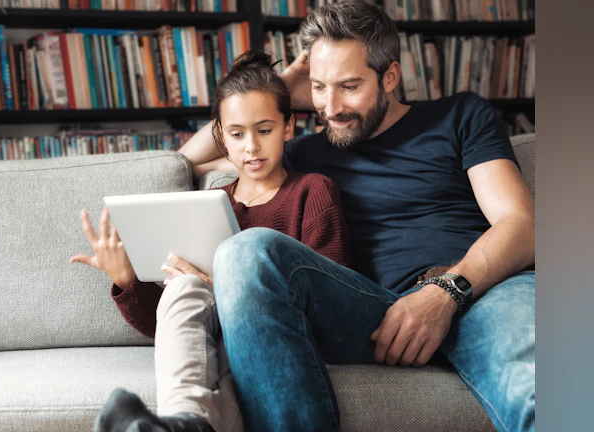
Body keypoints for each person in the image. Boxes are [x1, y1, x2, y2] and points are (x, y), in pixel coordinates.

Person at [178, 2, 536, 432]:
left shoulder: (460, 116)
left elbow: (522, 224)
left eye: (348, 86)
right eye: (318, 87)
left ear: (389, 76)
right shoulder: (302, 153)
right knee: (244, 253)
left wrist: (445, 292)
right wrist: (277, 87)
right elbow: (186, 162)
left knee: (541, 391)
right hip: (372, 311)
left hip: (481, 291)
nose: (330, 107)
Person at [70, 50, 354, 432]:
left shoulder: (312, 191)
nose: (251, 146)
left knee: (209, 296)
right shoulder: (208, 207)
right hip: (212, 344)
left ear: (289, 127)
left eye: (264, 130)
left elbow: (331, 298)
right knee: (184, 285)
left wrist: (230, 291)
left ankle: (184, 424)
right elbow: (171, 329)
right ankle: (185, 421)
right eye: (237, 134)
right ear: (221, 137)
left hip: (273, 340)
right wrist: (127, 280)